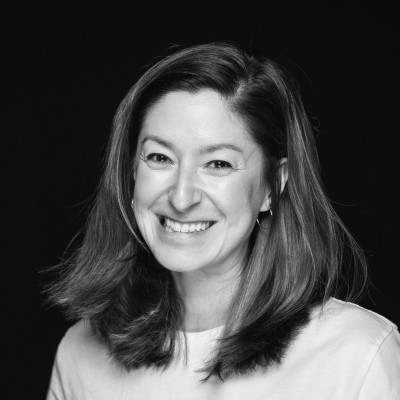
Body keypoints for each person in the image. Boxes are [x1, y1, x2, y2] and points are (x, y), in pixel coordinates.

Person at [46, 42, 400, 399]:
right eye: (160, 157)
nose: (181, 197)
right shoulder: (80, 354)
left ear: (272, 185)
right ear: (131, 171)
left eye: (218, 164)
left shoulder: (358, 355)